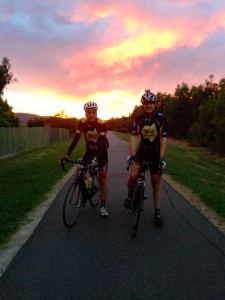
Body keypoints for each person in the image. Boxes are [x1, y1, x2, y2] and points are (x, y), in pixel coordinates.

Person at [123, 89, 167, 225]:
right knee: (132, 175)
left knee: (156, 181)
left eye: (151, 103)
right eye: (145, 103)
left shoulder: (161, 118)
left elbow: (163, 139)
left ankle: (157, 212)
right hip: (142, 152)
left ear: (155, 104)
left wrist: (161, 159)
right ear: (143, 105)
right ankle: (130, 196)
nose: (148, 105)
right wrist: (132, 155)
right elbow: (135, 137)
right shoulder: (138, 119)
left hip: (155, 154)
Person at [60, 101, 109, 217]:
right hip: (89, 152)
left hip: (101, 154)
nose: (92, 115)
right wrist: (67, 155)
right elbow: (76, 139)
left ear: (97, 112)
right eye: (89, 112)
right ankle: (84, 196)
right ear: (85, 113)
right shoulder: (82, 123)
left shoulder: (102, 124)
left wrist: (96, 158)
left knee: (102, 178)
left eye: (94, 112)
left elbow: (102, 143)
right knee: (81, 173)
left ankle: (103, 206)